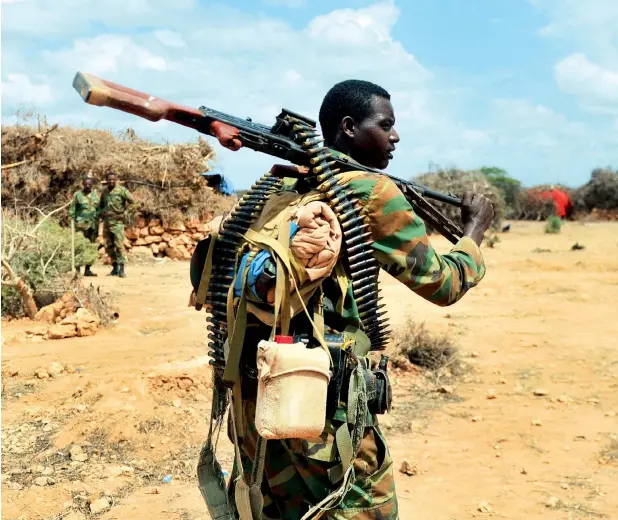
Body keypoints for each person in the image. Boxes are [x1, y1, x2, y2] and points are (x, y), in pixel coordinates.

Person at [202, 80, 495, 519]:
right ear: (349, 128)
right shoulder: (370, 191)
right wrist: (473, 233)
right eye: (386, 125)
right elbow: (443, 283)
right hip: (322, 407)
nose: (395, 136)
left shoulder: (285, 187)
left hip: (258, 393)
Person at [99, 172, 134, 278]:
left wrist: (126, 213)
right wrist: (101, 215)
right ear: (106, 180)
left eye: (114, 179)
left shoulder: (122, 191)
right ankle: (115, 268)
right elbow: (101, 205)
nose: (112, 181)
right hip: (107, 223)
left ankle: (122, 269)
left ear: (116, 179)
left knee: (119, 246)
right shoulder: (104, 192)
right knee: (109, 246)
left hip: (118, 223)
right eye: (110, 179)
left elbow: (133, 203)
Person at [68, 177, 100, 277]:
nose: (87, 186)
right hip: (81, 226)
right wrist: (74, 220)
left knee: (91, 247)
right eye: (86, 184)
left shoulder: (96, 195)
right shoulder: (78, 195)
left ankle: (88, 269)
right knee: (79, 245)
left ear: (92, 185)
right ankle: (77, 269)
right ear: (83, 184)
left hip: (93, 226)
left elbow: (98, 209)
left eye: (89, 184)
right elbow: (72, 210)